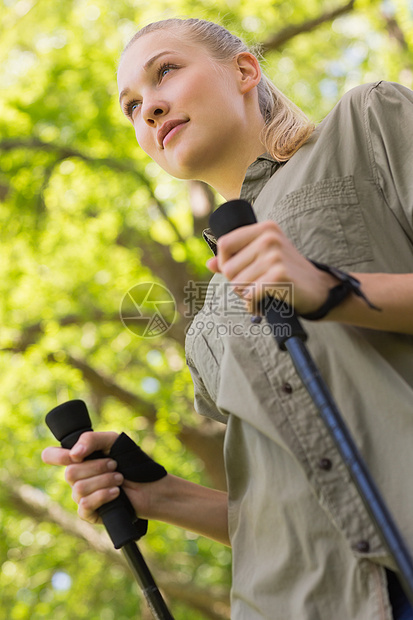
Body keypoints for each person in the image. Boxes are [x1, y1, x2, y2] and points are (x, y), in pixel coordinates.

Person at [42, 17, 413, 620]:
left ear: (244, 71)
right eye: (131, 107)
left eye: (166, 72)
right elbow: (283, 524)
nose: (150, 110)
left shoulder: (366, 125)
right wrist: (157, 495)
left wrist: (331, 289)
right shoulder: (209, 317)